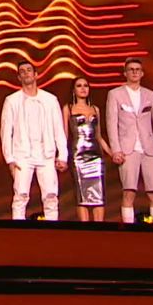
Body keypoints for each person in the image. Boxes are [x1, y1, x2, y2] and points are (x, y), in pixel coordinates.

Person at [106, 57, 153, 224]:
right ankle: (128, 229)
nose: (134, 72)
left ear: (142, 73)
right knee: (129, 192)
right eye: (131, 69)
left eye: (137, 69)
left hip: (149, 148)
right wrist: (116, 150)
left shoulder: (150, 95)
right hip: (128, 149)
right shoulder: (115, 94)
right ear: (125, 73)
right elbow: (111, 123)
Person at [0, 60, 68, 220]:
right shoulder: (12, 100)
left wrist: (63, 155)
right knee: (21, 195)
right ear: (19, 77)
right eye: (22, 71)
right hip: (22, 155)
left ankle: (52, 228)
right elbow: (6, 131)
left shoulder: (50, 100)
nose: (26, 73)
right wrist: (10, 159)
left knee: (51, 196)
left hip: (46, 154)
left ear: (36, 74)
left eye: (29, 70)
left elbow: (58, 129)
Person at [63, 77, 112, 222]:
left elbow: (99, 136)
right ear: (74, 90)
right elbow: (64, 136)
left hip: (96, 157)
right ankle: (84, 229)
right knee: (82, 195)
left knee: (99, 195)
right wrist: (61, 156)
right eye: (79, 86)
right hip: (78, 156)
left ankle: (99, 229)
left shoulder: (95, 109)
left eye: (86, 85)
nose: (83, 88)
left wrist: (112, 153)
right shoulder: (68, 108)